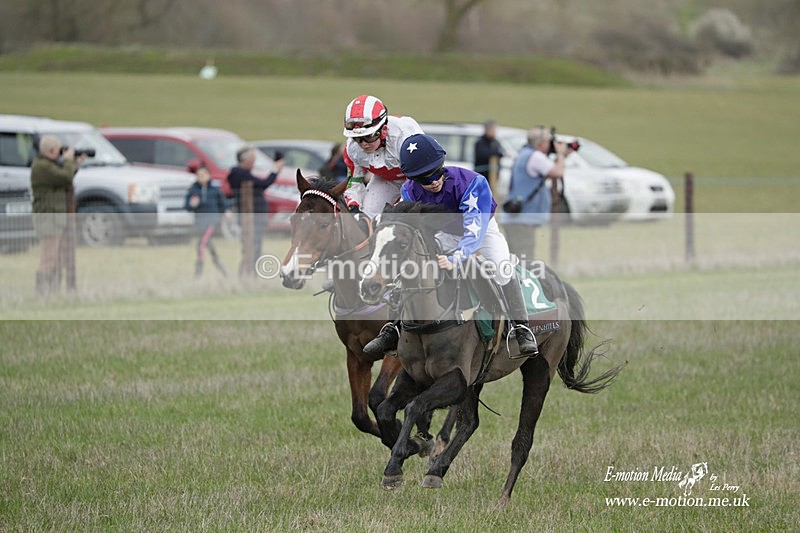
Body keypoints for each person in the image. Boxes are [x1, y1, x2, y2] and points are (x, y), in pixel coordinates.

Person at [363, 133, 538, 357]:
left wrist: (456, 257)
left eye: (436, 173)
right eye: (424, 179)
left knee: (501, 267)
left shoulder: (473, 183)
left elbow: (474, 230)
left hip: (482, 231)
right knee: (409, 264)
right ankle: (392, 328)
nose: (433, 181)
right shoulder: (409, 191)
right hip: (443, 233)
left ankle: (521, 328)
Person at [341, 94, 424, 217]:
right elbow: (354, 181)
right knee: (368, 215)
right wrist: (354, 205)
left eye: (369, 137)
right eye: (357, 138)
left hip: (419, 180)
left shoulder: (404, 137)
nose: (364, 144)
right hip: (386, 179)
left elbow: (419, 177)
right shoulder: (352, 148)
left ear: (383, 130)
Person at [499, 126, 568, 262]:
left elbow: (546, 172)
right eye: (548, 142)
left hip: (516, 218)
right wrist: (560, 154)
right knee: (525, 262)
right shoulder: (535, 157)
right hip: (522, 220)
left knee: (515, 261)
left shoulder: (524, 154)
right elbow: (558, 172)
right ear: (541, 144)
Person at [30, 134, 85, 295]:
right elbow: (65, 177)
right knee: (48, 258)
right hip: (48, 219)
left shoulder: (46, 165)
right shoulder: (42, 167)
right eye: (58, 150)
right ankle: (42, 293)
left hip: (54, 219)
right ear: (51, 150)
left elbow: (62, 178)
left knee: (55, 259)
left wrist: (74, 163)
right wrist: (68, 161)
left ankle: (52, 291)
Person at [227, 146, 284, 267]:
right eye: (253, 158)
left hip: (253, 215)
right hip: (251, 216)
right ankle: (249, 272)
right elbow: (264, 184)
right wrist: (275, 170)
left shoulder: (241, 173)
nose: (254, 161)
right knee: (252, 246)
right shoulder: (239, 173)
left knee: (253, 245)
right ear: (246, 159)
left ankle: (250, 272)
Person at [184, 164, 228, 278]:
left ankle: (198, 273)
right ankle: (222, 270)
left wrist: (226, 211)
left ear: (209, 175)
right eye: (199, 175)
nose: (201, 177)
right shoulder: (193, 190)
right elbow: (187, 207)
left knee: (201, 245)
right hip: (199, 223)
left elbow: (222, 204)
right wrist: (192, 204)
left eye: (203, 174)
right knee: (209, 247)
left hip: (212, 222)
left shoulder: (215, 190)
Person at [473, 119, 504, 192]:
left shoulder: (496, 142)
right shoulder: (480, 143)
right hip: (483, 176)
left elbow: (500, 153)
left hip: (494, 176)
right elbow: (483, 155)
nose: (494, 131)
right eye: (492, 129)